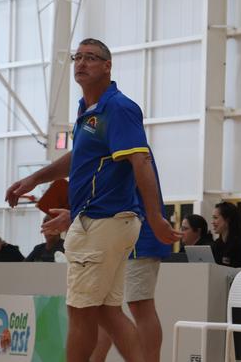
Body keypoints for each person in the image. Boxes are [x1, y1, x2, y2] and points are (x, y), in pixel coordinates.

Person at [5, 38, 180, 362]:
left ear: (107, 66)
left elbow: (141, 163)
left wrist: (155, 216)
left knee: (89, 311)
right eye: (77, 57)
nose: (81, 63)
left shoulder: (119, 108)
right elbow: (82, 159)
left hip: (107, 223)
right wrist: (35, 179)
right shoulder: (88, 110)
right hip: (100, 220)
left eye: (91, 58)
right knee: (105, 312)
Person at [90, 152, 171, 362]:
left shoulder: (127, 138)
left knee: (140, 304)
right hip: (116, 234)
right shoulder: (106, 141)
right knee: (104, 306)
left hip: (139, 233)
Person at [211, 202, 241, 267]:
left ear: (227, 219)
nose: (212, 222)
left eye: (215, 218)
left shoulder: (240, 244)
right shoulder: (216, 244)